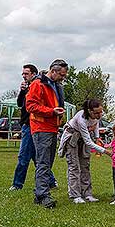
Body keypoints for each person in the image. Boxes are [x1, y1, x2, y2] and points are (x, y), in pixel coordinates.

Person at [26, 59, 68, 208]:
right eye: (62, 75)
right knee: (43, 162)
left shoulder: (56, 85)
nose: (63, 78)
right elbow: (30, 105)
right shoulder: (38, 84)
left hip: (52, 128)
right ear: (53, 71)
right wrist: (51, 111)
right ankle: (43, 195)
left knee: (47, 163)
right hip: (41, 127)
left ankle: (40, 192)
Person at [9, 64, 57, 191]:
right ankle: (51, 181)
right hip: (26, 125)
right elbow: (20, 104)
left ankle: (17, 184)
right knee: (37, 156)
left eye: (26, 73)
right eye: (23, 74)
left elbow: (35, 106)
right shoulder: (27, 87)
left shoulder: (38, 85)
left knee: (26, 155)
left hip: (35, 124)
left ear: (33, 73)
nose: (24, 76)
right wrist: (22, 91)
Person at [58, 99, 112, 204]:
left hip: (83, 139)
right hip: (72, 138)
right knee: (74, 166)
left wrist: (97, 137)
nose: (99, 115)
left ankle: (87, 193)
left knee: (85, 165)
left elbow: (96, 124)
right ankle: (75, 195)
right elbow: (88, 142)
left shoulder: (96, 116)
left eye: (101, 112)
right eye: (96, 113)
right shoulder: (81, 118)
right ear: (89, 111)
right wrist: (106, 151)